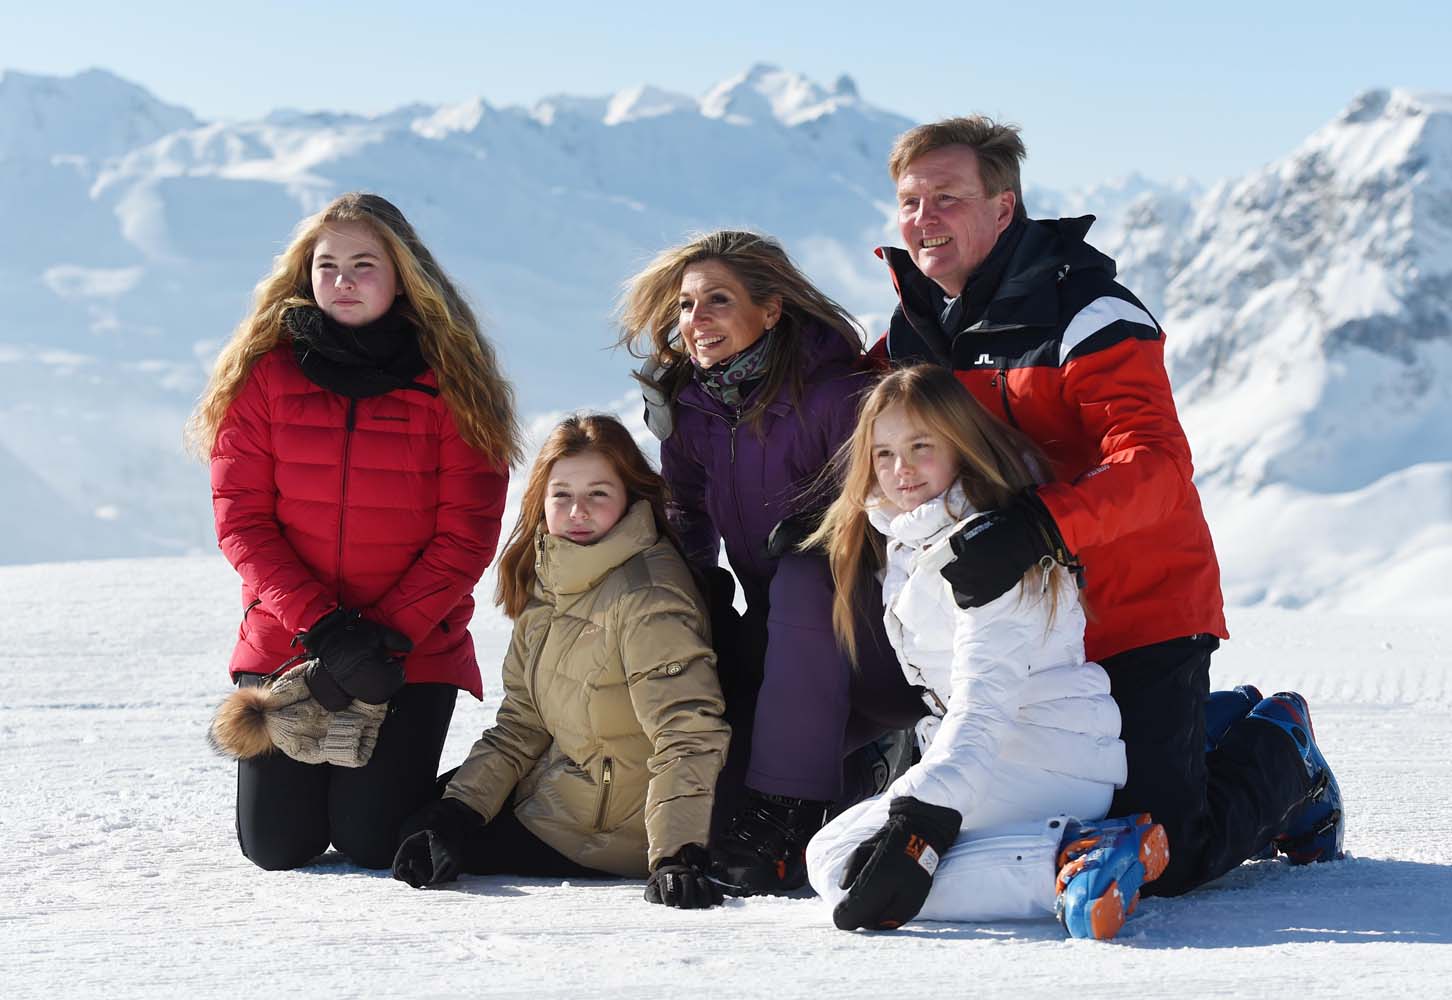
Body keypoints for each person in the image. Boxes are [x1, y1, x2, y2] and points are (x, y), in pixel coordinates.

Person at [872, 116, 1343, 897]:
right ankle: (1210, 725)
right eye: (911, 201)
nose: (924, 220)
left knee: (1168, 852)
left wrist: (1041, 525)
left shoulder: (1088, 312)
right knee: (1023, 808)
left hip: (1138, 604)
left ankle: (1283, 754)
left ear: (1003, 208)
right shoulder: (915, 326)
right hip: (1022, 615)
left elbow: (1156, 463)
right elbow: (879, 441)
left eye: (947, 198)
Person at [187, 192, 519, 872]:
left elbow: (466, 534)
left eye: (363, 264)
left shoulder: (453, 384)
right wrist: (327, 632)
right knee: (278, 848)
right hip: (288, 643)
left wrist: (386, 636)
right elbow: (242, 521)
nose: (342, 280)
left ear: (402, 275)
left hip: (410, 651)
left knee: (373, 842)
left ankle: (487, 802)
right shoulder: (265, 376)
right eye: (326, 264)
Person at [800, 364, 1163, 940]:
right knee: (832, 857)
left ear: (962, 447)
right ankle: (1063, 856)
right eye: (884, 453)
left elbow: (982, 704)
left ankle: (1068, 865)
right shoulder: (910, 540)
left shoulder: (989, 551)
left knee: (852, 872)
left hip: (1040, 760)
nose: (901, 469)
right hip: (990, 758)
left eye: (922, 446)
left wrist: (926, 813)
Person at [619, 230, 926, 895]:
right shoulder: (694, 407)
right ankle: (857, 768)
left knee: (805, 571)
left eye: (717, 302)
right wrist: (692, 597)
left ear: (772, 308)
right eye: (685, 306)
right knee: (715, 811)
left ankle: (785, 816)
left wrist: (829, 532)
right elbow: (686, 515)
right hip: (787, 655)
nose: (695, 324)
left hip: (878, 640)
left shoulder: (838, 394)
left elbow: (896, 511)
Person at [389, 415, 731, 909]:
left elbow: (688, 731)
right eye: (562, 494)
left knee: (397, 838)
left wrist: (677, 856)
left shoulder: (647, 595)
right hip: (565, 794)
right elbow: (521, 724)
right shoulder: (552, 580)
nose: (577, 511)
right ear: (540, 502)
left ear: (630, 498)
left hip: (615, 828)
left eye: (597, 493)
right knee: (419, 823)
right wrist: (460, 812)